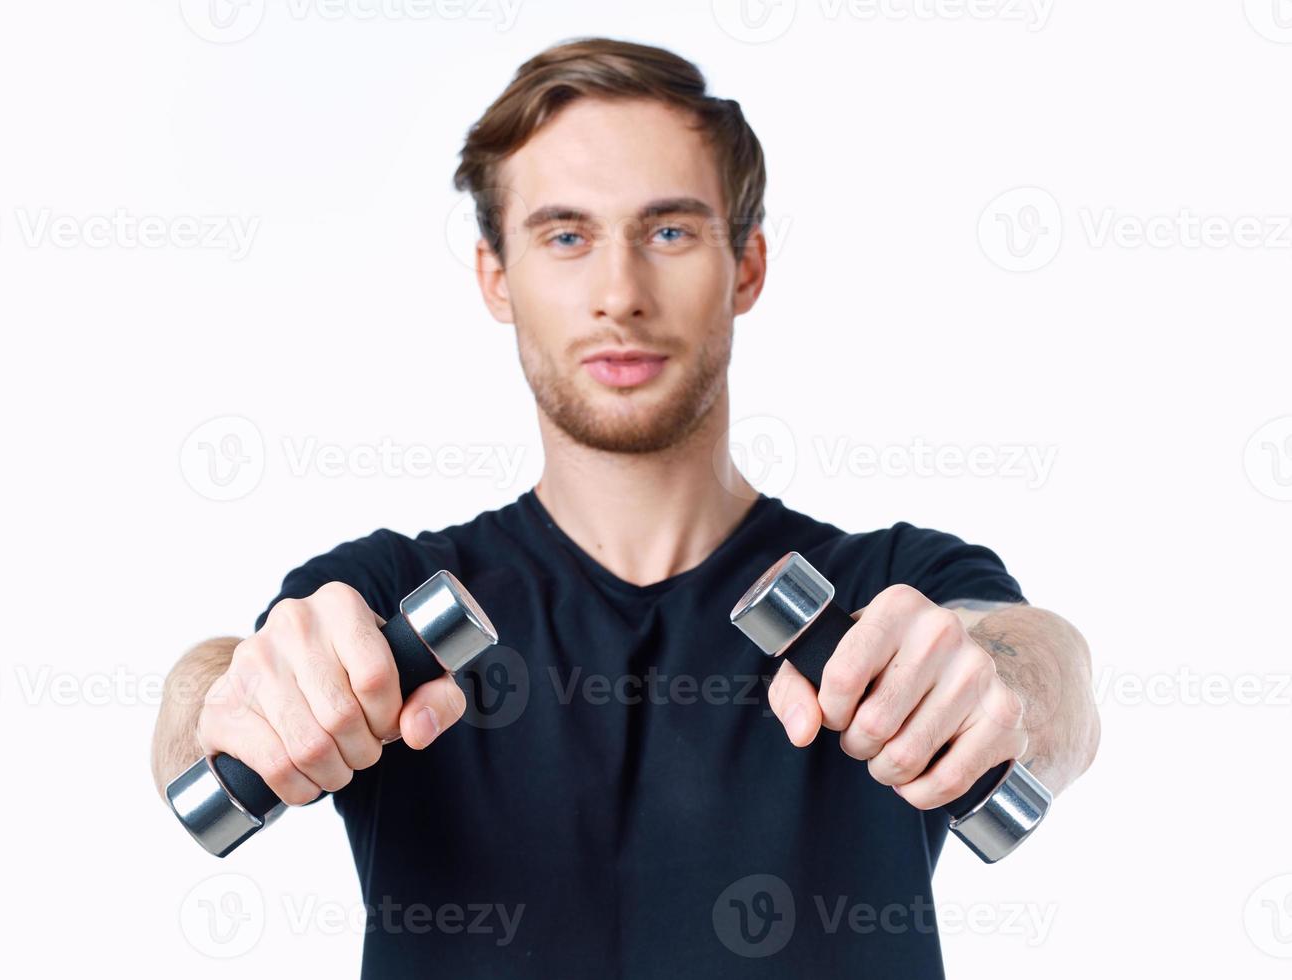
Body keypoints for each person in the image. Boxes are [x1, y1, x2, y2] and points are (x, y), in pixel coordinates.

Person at [150, 36, 1100, 978]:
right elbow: (215, 697)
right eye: (566, 236)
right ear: (496, 276)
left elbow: (1039, 674)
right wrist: (235, 696)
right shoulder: (393, 601)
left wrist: (1002, 686)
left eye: (671, 231)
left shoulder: (891, 593)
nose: (619, 294)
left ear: (747, 267)